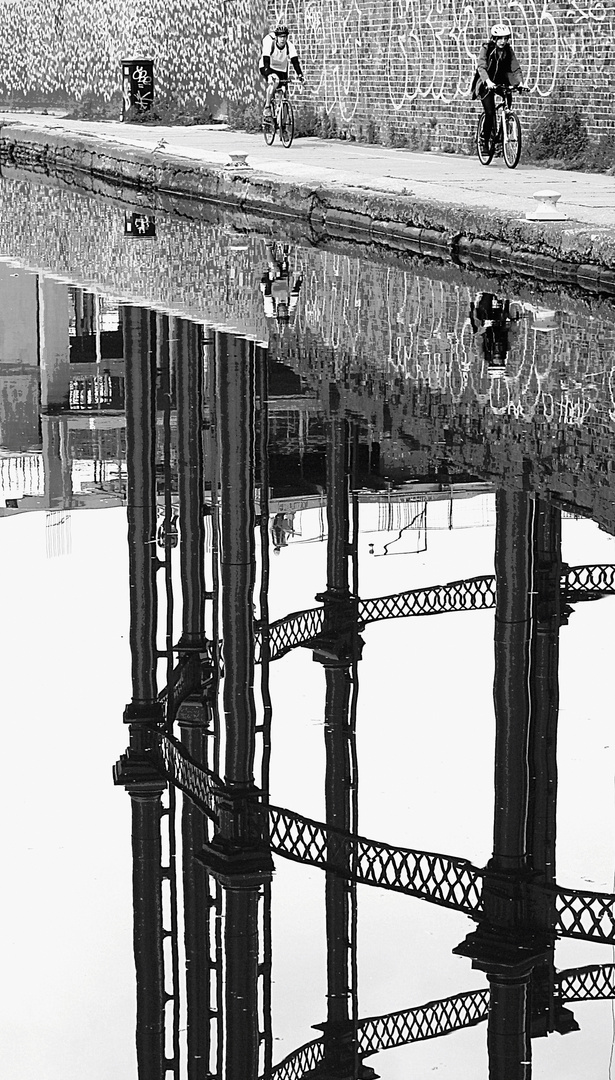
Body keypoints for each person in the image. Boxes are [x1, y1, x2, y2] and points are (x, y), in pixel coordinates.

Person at [471, 24, 524, 152]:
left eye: (505, 38)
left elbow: (515, 67)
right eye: (499, 38)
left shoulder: (508, 50)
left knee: (508, 107)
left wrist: (521, 82)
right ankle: (484, 139)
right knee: (490, 113)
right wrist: (488, 81)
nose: (503, 41)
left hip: (501, 82)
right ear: (494, 39)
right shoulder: (487, 48)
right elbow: (481, 67)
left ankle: (503, 133)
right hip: (486, 82)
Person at [259, 24, 304, 118]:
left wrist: (300, 75)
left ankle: (281, 118)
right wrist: (269, 75)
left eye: (284, 37)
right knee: (274, 82)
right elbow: (266, 59)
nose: (283, 39)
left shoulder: (289, 46)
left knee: (283, 91)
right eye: (280, 37)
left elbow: (295, 62)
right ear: (276, 37)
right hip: (267, 66)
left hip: (281, 68)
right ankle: (267, 106)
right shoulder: (269, 43)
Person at [260, 241, 303, 329]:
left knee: (275, 268)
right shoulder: (290, 305)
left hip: (269, 284)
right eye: (285, 313)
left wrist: (268, 275)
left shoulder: (270, 309)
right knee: (286, 269)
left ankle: (268, 247)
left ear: (278, 313)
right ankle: (286, 252)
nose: (283, 311)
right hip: (282, 282)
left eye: (282, 313)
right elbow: (295, 292)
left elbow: (267, 292)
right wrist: (299, 280)